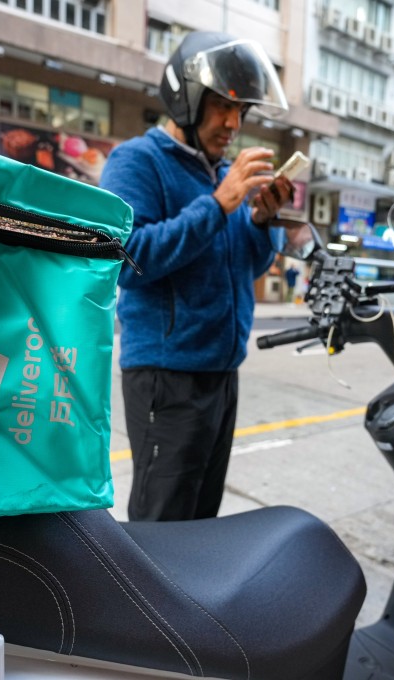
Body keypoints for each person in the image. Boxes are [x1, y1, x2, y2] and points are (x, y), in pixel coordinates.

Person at [100, 32, 293, 521]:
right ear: (185, 98)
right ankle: (141, 602)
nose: (234, 123)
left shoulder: (220, 174)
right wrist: (218, 204)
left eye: (242, 111)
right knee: (162, 523)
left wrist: (262, 223)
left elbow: (242, 267)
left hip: (221, 375)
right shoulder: (138, 161)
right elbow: (127, 259)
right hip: (168, 376)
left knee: (202, 522)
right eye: (222, 107)